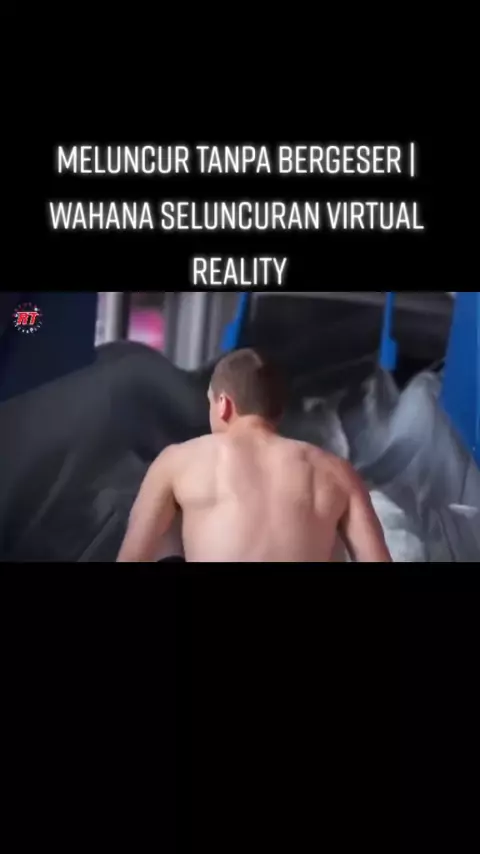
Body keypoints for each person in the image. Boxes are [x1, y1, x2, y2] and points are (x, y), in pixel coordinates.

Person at [117, 348, 392, 563]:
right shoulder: (336, 472)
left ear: (223, 405)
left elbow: (132, 558)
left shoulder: (178, 462)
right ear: (278, 411)